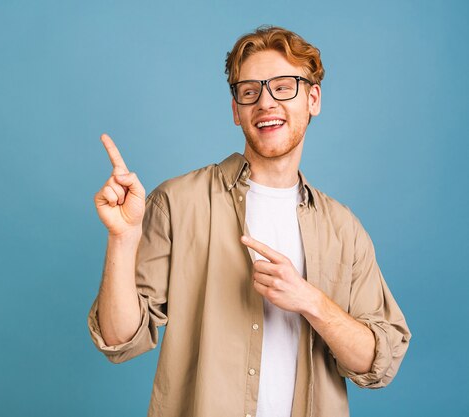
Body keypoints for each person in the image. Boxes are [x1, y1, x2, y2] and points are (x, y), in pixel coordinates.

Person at [87, 25, 411, 417]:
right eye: (250, 91)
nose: (266, 102)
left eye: (283, 86)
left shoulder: (345, 230)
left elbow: (379, 363)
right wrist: (122, 238)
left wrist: (311, 301)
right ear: (236, 110)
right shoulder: (178, 202)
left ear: (313, 98)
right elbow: (119, 339)